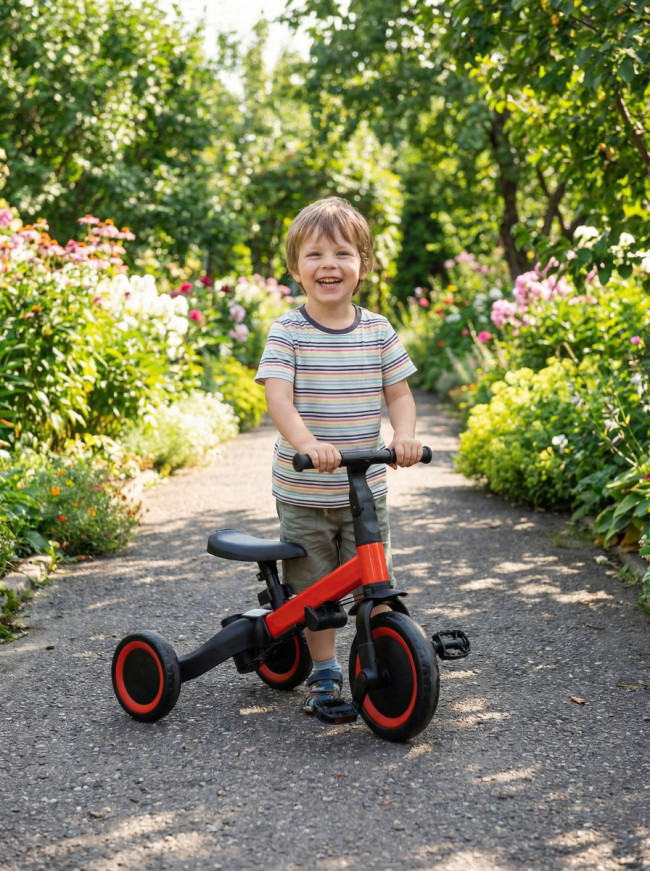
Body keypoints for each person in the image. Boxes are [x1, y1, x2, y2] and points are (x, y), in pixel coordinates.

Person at [255, 196, 422, 715]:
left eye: (342, 253)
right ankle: (325, 674)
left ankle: (383, 660)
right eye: (315, 255)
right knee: (315, 594)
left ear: (363, 267)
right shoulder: (289, 331)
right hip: (306, 489)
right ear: (296, 270)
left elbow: (399, 394)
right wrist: (308, 444)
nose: (329, 264)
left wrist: (405, 436)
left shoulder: (378, 330)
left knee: (374, 582)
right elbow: (278, 395)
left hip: (362, 492)